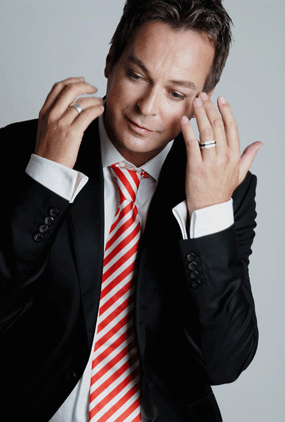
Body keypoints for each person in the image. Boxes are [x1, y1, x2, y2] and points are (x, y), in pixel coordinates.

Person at [0, 0, 262, 421]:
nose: (148, 107)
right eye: (137, 75)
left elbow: (224, 362)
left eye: (176, 93)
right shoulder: (25, 149)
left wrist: (211, 215)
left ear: (201, 100)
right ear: (111, 60)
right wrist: (46, 181)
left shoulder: (224, 188)